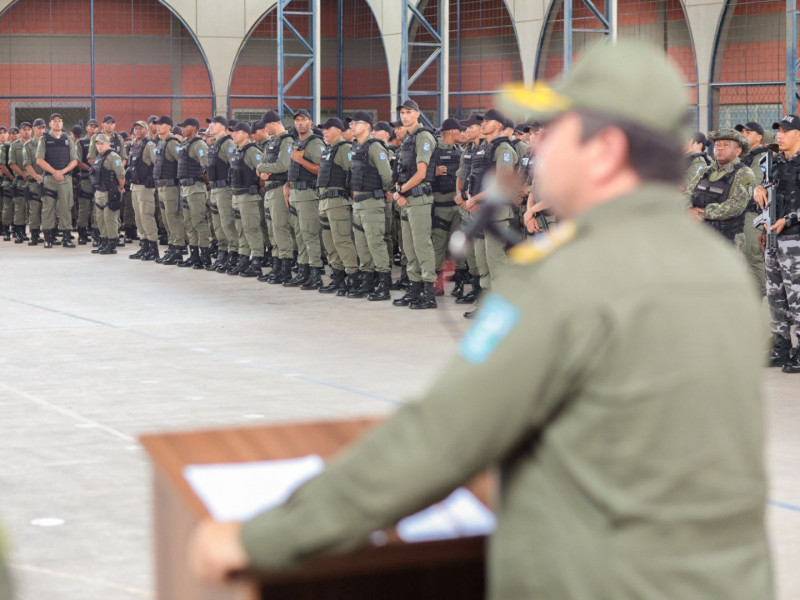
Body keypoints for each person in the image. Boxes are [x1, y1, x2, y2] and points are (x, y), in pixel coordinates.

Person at [189, 41, 772, 600]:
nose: (537, 149)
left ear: (604, 149)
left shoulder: (568, 277)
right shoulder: (718, 271)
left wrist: (260, 537)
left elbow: (438, 440)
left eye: (553, 132)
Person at [462, 108, 518, 318]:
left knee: (496, 264)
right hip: (480, 213)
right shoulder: (484, 148)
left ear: (500, 125)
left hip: (495, 214)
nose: (483, 124)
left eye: (488, 121)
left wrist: (475, 199)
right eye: (482, 122)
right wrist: (470, 197)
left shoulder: (503, 149)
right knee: (482, 262)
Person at [756, 114, 800, 373]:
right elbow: (768, 193)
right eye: (778, 131)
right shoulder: (775, 163)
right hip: (774, 239)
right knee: (776, 296)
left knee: (797, 297)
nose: (779, 135)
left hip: (795, 239)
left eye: (785, 131)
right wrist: (758, 191)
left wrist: (788, 218)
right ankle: (781, 346)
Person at [392, 99, 438, 310]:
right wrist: (398, 191)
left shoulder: (423, 137)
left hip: (418, 199)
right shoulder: (407, 139)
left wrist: (401, 191)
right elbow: (401, 171)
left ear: (417, 114)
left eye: (408, 112)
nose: (404, 116)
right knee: (408, 248)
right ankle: (414, 289)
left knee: (422, 245)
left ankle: (429, 293)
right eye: (402, 113)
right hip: (406, 199)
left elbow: (421, 173)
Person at [348, 112, 395, 300]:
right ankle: (367, 281)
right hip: (358, 202)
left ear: (367, 126)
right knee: (361, 244)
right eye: (350, 123)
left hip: (372, 202)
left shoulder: (375, 147)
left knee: (375, 242)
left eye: (355, 123)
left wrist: (385, 191)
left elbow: (387, 175)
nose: (351, 126)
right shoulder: (355, 147)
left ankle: (383, 284)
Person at [684, 129, 755, 251]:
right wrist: (688, 209)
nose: (720, 148)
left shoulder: (744, 173)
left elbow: (736, 206)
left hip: (727, 240)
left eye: (726, 145)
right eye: (717, 145)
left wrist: (701, 213)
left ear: (738, 151)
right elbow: (687, 193)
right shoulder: (704, 171)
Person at [315, 117, 358, 296]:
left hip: (338, 201)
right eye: (323, 129)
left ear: (339, 130)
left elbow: (354, 175)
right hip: (325, 201)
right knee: (329, 242)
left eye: (327, 128)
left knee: (342, 240)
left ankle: (353, 277)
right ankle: (338, 276)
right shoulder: (328, 150)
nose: (324, 132)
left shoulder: (345, 148)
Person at [284, 109, 324, 289]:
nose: (300, 123)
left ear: (310, 122)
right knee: (300, 235)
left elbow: (320, 169)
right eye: (297, 120)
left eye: (303, 120)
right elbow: (293, 167)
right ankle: (303, 271)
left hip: (308, 194)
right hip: (295, 194)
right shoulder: (296, 142)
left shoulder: (314, 143)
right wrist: (287, 185)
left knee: (310, 235)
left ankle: (315, 274)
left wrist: (300, 160)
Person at [257, 110, 295, 283]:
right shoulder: (272, 142)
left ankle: (286, 268)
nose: (266, 129)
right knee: (272, 230)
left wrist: (265, 169)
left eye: (266, 126)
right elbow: (262, 163)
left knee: (281, 229)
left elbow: (283, 164)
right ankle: (277, 266)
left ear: (273, 123)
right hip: (270, 190)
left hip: (280, 189)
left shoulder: (287, 141)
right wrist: (263, 169)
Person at [430, 118, 464, 295]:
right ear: (452, 132)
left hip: (458, 207)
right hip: (441, 206)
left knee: (459, 246)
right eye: (460, 131)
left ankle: (459, 282)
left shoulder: (460, 150)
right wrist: (433, 172)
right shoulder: (433, 150)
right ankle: (438, 283)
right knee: (439, 244)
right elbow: (418, 172)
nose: (462, 134)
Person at [229, 122, 266, 278]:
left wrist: (257, 188)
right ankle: (244, 258)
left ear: (245, 133)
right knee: (241, 228)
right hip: (237, 195)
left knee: (251, 228)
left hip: (248, 196)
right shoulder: (239, 151)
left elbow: (263, 173)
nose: (233, 135)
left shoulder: (252, 151)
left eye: (236, 132)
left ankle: (256, 261)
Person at [36, 113, 78, 248]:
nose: (57, 123)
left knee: (66, 208)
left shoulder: (68, 139)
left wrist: (62, 172)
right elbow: (39, 160)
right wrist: (54, 172)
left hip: (65, 179)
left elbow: (74, 160)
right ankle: (48, 237)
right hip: (49, 179)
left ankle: (66, 237)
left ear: (62, 123)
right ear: (50, 124)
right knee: (48, 208)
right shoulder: (44, 139)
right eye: (54, 121)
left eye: (60, 121)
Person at [453, 113, 484, 301]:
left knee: (483, 252)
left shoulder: (489, 149)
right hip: (466, 205)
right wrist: (459, 195)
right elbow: (460, 174)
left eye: (470, 127)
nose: (466, 131)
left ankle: (484, 292)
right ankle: (475, 289)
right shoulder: (468, 149)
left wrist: (474, 201)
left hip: (480, 207)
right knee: (471, 251)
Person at [176, 117, 212, 269]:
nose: (182, 129)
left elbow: (207, 167)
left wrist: (207, 184)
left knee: (199, 222)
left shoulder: (199, 145)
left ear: (195, 128)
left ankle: (205, 256)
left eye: (186, 126)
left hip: (196, 188)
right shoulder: (185, 144)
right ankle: (194, 255)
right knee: (189, 224)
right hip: (185, 188)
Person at [151, 116, 186, 265]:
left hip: (171, 187)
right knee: (166, 219)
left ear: (169, 127)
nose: (158, 127)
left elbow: (182, 161)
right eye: (157, 125)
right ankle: (172, 246)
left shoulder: (172, 143)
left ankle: (178, 249)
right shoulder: (161, 143)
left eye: (162, 125)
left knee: (173, 218)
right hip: (162, 186)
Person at [205, 116, 237, 272]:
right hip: (214, 189)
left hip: (225, 189)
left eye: (215, 124)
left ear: (224, 127)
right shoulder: (213, 144)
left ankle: (234, 254)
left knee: (227, 223)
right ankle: (222, 252)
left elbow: (234, 166)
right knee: (217, 225)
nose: (211, 126)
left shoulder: (227, 143)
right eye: (211, 123)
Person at [88, 133, 126, 255]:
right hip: (99, 192)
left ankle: (111, 244)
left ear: (108, 144)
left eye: (102, 143)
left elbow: (121, 175)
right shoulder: (99, 157)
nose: (99, 146)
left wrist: (120, 187)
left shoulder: (113, 157)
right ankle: (103, 242)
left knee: (110, 219)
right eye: (97, 144)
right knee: (100, 219)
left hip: (110, 192)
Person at [127, 121, 159, 261]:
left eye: (141, 128)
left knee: (146, 216)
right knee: (138, 218)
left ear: (147, 130)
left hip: (145, 187)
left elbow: (157, 163)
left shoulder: (149, 145)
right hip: (135, 186)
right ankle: (144, 246)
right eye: (136, 128)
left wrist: (154, 180)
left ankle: (153, 248)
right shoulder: (133, 145)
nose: (138, 131)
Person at [24, 118, 46, 245]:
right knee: (34, 209)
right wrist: (37, 176)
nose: (41, 130)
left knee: (48, 209)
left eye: (43, 128)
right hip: (34, 181)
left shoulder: (48, 143)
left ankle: (50, 233)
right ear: (34, 128)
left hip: (48, 180)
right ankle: (34, 235)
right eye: (39, 127)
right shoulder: (28, 145)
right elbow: (27, 164)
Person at [8, 123, 31, 243]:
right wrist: (23, 174)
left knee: (30, 207)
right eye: (24, 130)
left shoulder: (35, 144)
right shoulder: (14, 145)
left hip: (32, 180)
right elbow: (12, 163)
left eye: (29, 129)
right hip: (21, 180)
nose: (27, 132)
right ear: (20, 132)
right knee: (19, 207)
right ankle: (18, 232)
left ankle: (28, 231)